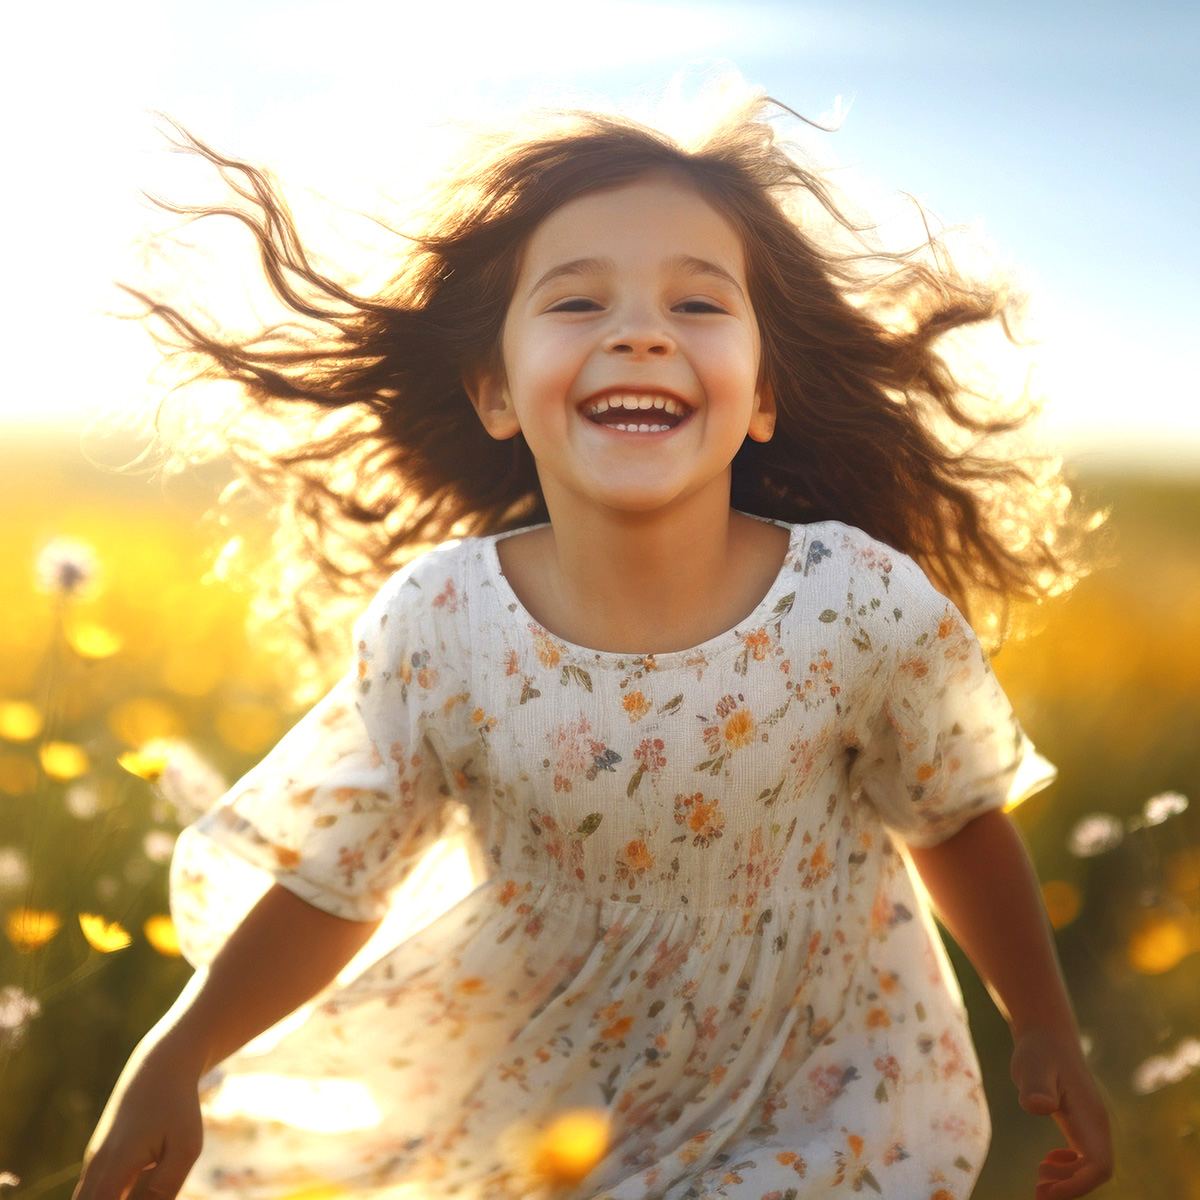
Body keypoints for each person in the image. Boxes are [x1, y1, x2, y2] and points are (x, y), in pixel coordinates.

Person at [74, 83, 1113, 1200]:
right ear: (495, 392)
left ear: (763, 394)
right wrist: (173, 1054)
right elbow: (338, 879)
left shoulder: (859, 605)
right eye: (577, 303)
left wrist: (1043, 1021)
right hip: (533, 1105)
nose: (640, 331)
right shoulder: (443, 625)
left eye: (698, 306)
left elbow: (953, 817)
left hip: (823, 1098)